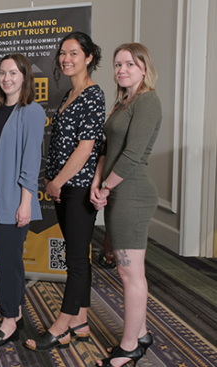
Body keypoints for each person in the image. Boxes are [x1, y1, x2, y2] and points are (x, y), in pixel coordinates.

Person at [25, 31, 105, 351]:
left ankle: (61, 326)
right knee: (78, 255)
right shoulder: (68, 95)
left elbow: (86, 149)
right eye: (63, 53)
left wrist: (57, 182)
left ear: (88, 58)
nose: (66, 58)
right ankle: (81, 320)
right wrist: (52, 179)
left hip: (78, 188)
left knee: (74, 260)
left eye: (73, 53)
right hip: (62, 188)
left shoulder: (93, 95)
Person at [91, 43, 161, 367]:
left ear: (144, 68)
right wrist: (97, 183)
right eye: (117, 65)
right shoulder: (123, 104)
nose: (121, 70)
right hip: (116, 192)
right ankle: (142, 332)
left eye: (129, 64)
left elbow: (132, 155)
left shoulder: (147, 101)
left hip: (132, 194)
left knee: (131, 274)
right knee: (125, 271)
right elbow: (107, 148)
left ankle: (131, 346)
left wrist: (105, 186)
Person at [0, 54, 45, 347]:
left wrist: (26, 202)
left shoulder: (31, 112)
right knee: (10, 260)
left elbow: (31, 161)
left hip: (13, 198)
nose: (7, 78)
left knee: (6, 261)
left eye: (13, 73)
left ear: (24, 77)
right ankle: (15, 313)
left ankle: (8, 322)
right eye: (3, 73)